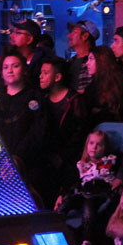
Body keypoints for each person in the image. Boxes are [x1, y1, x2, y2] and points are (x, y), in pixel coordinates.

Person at [0, 55, 47, 200]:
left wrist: (17, 157)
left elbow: (38, 131)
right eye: (6, 67)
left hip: (26, 162)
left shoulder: (34, 97)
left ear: (24, 70)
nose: (10, 71)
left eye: (15, 66)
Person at [56, 129, 122, 245]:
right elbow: (74, 182)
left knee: (88, 208)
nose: (94, 147)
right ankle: (53, 226)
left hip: (98, 193)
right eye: (91, 143)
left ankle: (87, 242)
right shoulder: (82, 165)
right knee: (66, 204)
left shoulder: (109, 161)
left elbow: (121, 162)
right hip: (82, 193)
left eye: (99, 144)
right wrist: (62, 195)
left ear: (105, 147)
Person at [40, 55, 87, 199]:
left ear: (58, 77)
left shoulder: (74, 100)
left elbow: (81, 132)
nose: (41, 76)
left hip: (69, 160)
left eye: (46, 73)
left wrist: (63, 156)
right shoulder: (42, 100)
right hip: (47, 158)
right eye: (41, 72)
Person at [84, 46, 123, 128]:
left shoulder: (116, 84)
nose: (87, 63)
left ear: (102, 61)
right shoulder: (94, 83)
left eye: (91, 59)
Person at [68, 19, 100, 93]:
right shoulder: (70, 62)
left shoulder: (97, 62)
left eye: (74, 32)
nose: (69, 36)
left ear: (85, 36)